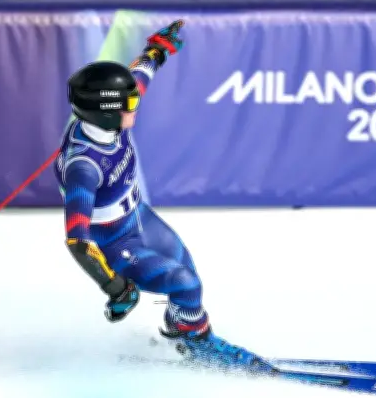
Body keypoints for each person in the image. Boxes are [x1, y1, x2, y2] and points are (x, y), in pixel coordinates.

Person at [54, 21, 271, 370]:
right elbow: (77, 240)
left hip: (138, 218)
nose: (135, 106)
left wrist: (156, 51)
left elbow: (138, 77)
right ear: (105, 111)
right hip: (113, 242)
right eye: (129, 103)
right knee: (183, 283)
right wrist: (115, 288)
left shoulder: (106, 121)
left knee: (188, 274)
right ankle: (201, 347)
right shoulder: (85, 167)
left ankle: (181, 333)